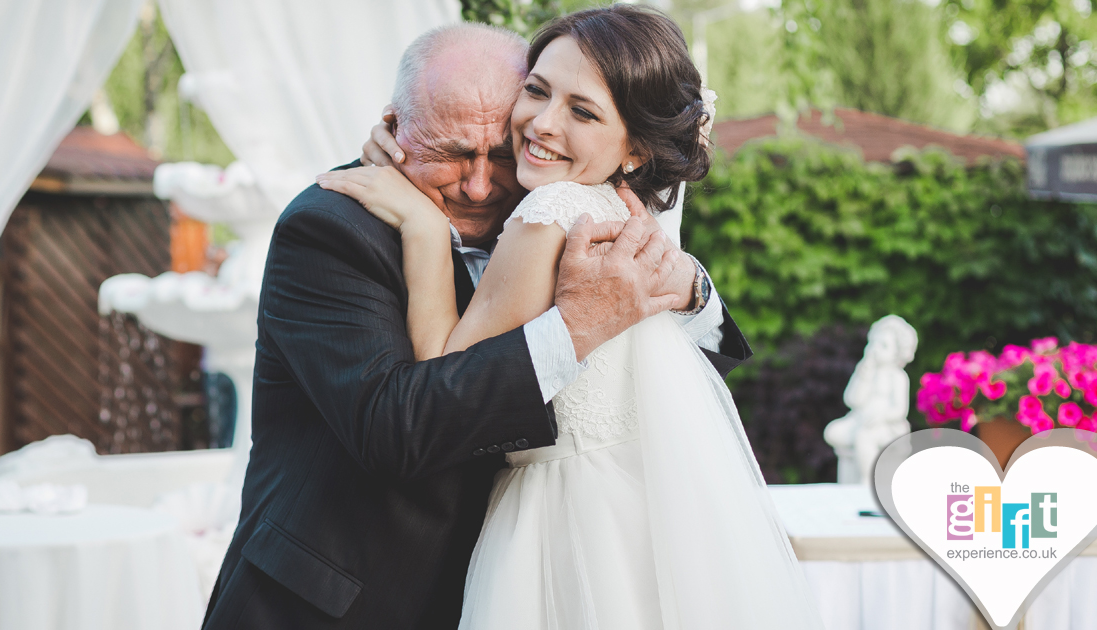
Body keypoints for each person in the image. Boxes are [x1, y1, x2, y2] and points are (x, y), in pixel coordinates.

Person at [201, 15, 753, 630]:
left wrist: (688, 288)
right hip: (339, 606)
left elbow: (679, 372)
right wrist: (570, 325)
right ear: (393, 128)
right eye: (453, 153)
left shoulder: (555, 197)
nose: (481, 183)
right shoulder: (331, 229)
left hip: (534, 576)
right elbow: (398, 428)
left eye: (499, 151)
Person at [317, 6, 823, 630]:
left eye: (582, 112)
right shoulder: (607, 207)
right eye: (535, 91)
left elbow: (447, 376)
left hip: (565, 516)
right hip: (644, 513)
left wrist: (421, 228)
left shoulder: (553, 209)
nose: (541, 123)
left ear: (635, 150)